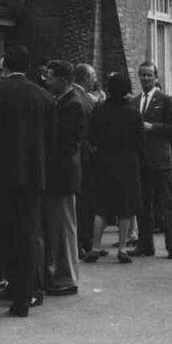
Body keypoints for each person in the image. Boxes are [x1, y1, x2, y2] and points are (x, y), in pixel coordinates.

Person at [0, 46, 54, 317]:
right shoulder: (44, 97)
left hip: (1, 177)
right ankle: (24, 297)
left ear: (5, 65)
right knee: (28, 236)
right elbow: (51, 141)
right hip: (33, 178)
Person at [83, 72, 143, 264]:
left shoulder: (99, 109)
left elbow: (91, 138)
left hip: (104, 161)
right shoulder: (133, 112)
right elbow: (140, 141)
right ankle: (123, 248)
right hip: (128, 162)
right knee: (126, 208)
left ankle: (95, 246)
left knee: (101, 207)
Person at [41, 60, 86, 297]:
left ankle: (67, 276)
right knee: (57, 226)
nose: (46, 81)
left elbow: (66, 144)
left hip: (62, 175)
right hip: (58, 174)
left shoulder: (73, 104)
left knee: (64, 227)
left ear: (63, 79)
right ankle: (59, 273)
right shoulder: (62, 101)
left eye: (49, 77)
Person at [129, 61, 172, 260]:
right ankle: (145, 244)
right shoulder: (133, 102)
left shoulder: (166, 100)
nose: (145, 79)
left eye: (149, 75)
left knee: (168, 204)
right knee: (143, 205)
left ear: (156, 77)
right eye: (142, 75)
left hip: (161, 160)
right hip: (141, 161)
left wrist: (154, 128)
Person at [72, 63, 101, 256]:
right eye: (93, 76)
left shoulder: (82, 97)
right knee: (84, 202)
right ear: (84, 77)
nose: (95, 80)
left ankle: (87, 242)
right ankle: (83, 242)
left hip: (86, 156)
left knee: (87, 202)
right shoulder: (79, 98)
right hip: (84, 157)